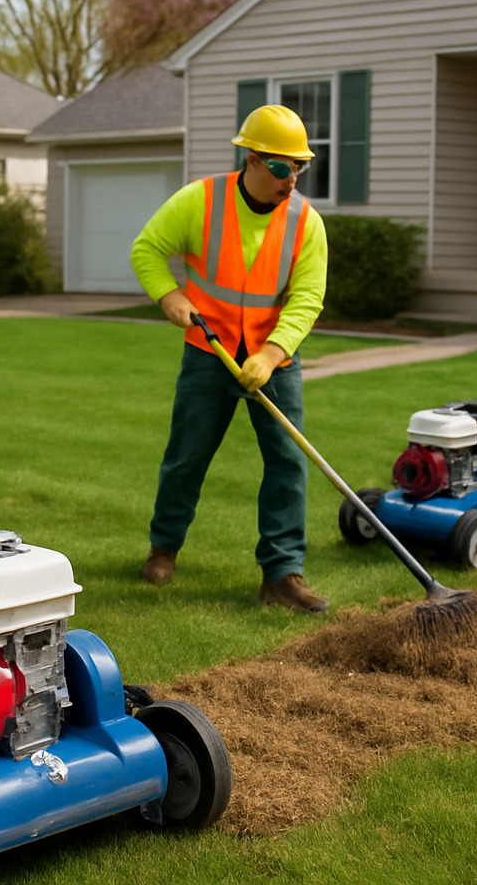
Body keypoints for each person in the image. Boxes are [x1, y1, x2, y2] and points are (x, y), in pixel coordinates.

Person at [129, 104, 330, 613]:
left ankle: (282, 574)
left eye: (300, 166)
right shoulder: (200, 201)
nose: (293, 177)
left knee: (287, 464)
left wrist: (273, 351)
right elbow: (148, 248)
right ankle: (164, 547)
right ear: (253, 159)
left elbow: (307, 297)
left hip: (273, 361)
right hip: (208, 352)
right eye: (283, 166)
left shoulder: (306, 223)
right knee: (187, 456)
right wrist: (168, 296)